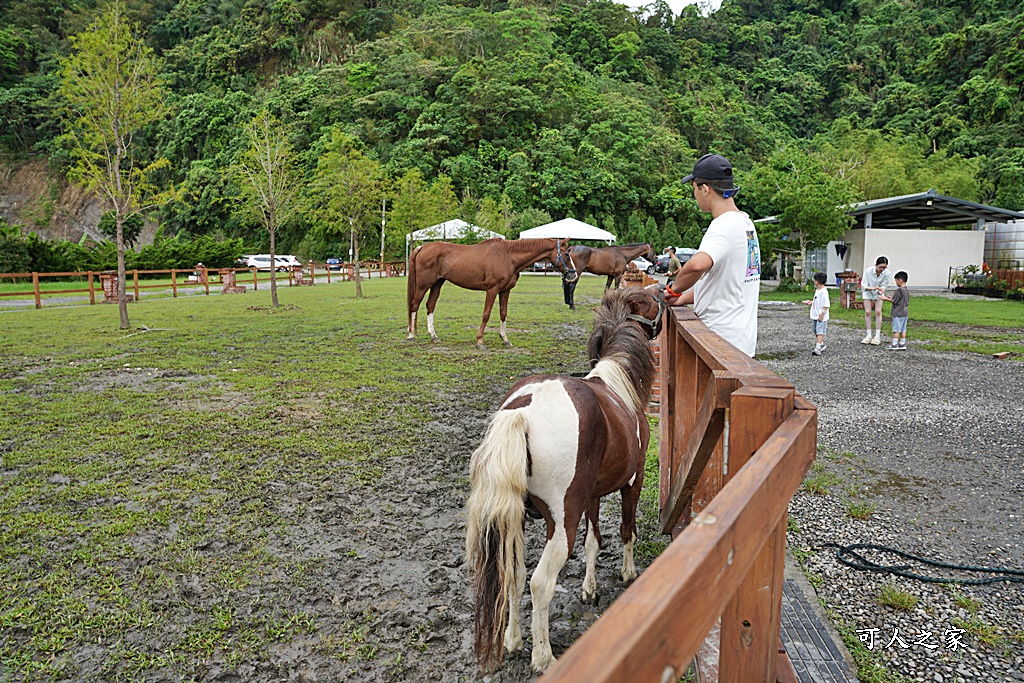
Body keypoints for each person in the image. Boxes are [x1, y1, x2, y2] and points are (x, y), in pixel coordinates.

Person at [664, 153, 761, 357]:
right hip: (740, 341)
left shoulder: (723, 224)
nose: (695, 196)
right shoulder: (745, 224)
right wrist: (683, 298)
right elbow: (726, 286)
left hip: (719, 341)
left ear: (705, 189)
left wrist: (673, 290)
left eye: (695, 190)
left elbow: (696, 265)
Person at [860, 256, 891, 345]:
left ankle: (877, 336)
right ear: (876, 265)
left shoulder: (887, 273)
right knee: (868, 312)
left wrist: (882, 289)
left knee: (878, 311)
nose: (882, 269)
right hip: (868, 292)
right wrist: (873, 288)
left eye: (884, 267)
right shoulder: (868, 271)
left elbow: (884, 284)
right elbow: (864, 286)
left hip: (878, 293)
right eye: (880, 267)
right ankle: (868, 335)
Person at [802, 272, 830, 355]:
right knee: (815, 330)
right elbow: (817, 301)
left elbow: (826, 305)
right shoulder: (818, 290)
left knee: (819, 331)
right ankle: (821, 344)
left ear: (817, 281)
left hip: (821, 316)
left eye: (815, 280)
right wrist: (811, 302)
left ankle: (818, 348)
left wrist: (822, 315)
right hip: (815, 315)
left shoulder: (824, 292)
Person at [881, 271, 909, 350]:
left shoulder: (899, 290)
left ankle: (894, 344)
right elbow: (900, 300)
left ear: (900, 280)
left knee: (896, 329)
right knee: (903, 329)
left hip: (898, 313)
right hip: (905, 312)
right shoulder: (906, 290)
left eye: (896, 281)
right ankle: (902, 343)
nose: (896, 283)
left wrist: (885, 298)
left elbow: (895, 301)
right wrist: (891, 298)